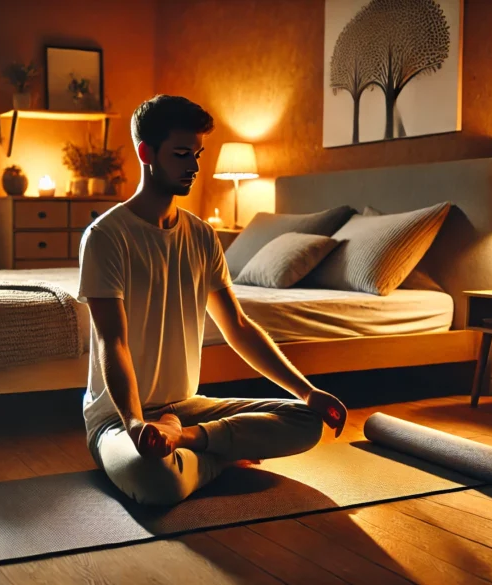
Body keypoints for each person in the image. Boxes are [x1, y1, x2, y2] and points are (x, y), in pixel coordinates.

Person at [77, 94, 348, 506]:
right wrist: (134, 423)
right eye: (182, 153)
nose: (194, 166)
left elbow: (237, 326)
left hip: (186, 410)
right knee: (157, 485)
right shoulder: (106, 237)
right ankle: (219, 452)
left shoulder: (202, 236)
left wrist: (308, 391)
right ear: (146, 152)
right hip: (117, 419)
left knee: (306, 422)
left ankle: (187, 441)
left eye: (198, 154)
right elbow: (111, 342)